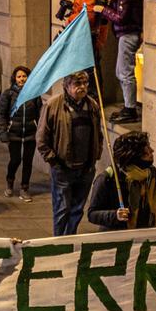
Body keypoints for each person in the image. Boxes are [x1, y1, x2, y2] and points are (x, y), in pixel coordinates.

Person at [37, 71, 104, 236]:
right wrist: (53, 160)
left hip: (86, 168)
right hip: (62, 168)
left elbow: (98, 134)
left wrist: (96, 155)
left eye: (85, 84)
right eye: (77, 84)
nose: (82, 88)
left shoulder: (92, 105)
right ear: (67, 86)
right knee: (62, 208)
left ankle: (70, 237)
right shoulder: (53, 105)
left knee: (77, 209)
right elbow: (41, 138)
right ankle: (59, 241)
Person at [88, 131, 156, 230]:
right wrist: (115, 215)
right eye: (147, 151)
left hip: (146, 237)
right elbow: (92, 214)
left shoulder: (153, 175)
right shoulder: (108, 179)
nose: (152, 150)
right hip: (119, 239)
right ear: (134, 156)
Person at [98, 0, 144, 122]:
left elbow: (121, 18)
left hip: (128, 34)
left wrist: (103, 10)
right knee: (121, 71)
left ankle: (130, 109)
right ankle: (128, 106)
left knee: (125, 72)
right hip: (129, 34)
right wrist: (111, 3)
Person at [0, 66, 40, 202]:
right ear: (14, 78)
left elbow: (40, 114)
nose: (22, 79)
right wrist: (3, 131)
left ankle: (24, 188)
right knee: (15, 160)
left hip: (30, 133)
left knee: (28, 161)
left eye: (24, 76)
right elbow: (1, 114)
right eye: (19, 76)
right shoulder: (8, 94)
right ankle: (10, 181)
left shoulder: (34, 94)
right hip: (13, 132)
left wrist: (41, 131)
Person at [61, 0, 112, 81]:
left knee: (88, 73)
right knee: (89, 71)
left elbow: (87, 17)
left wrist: (69, 20)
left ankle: (91, 97)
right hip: (89, 37)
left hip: (88, 38)